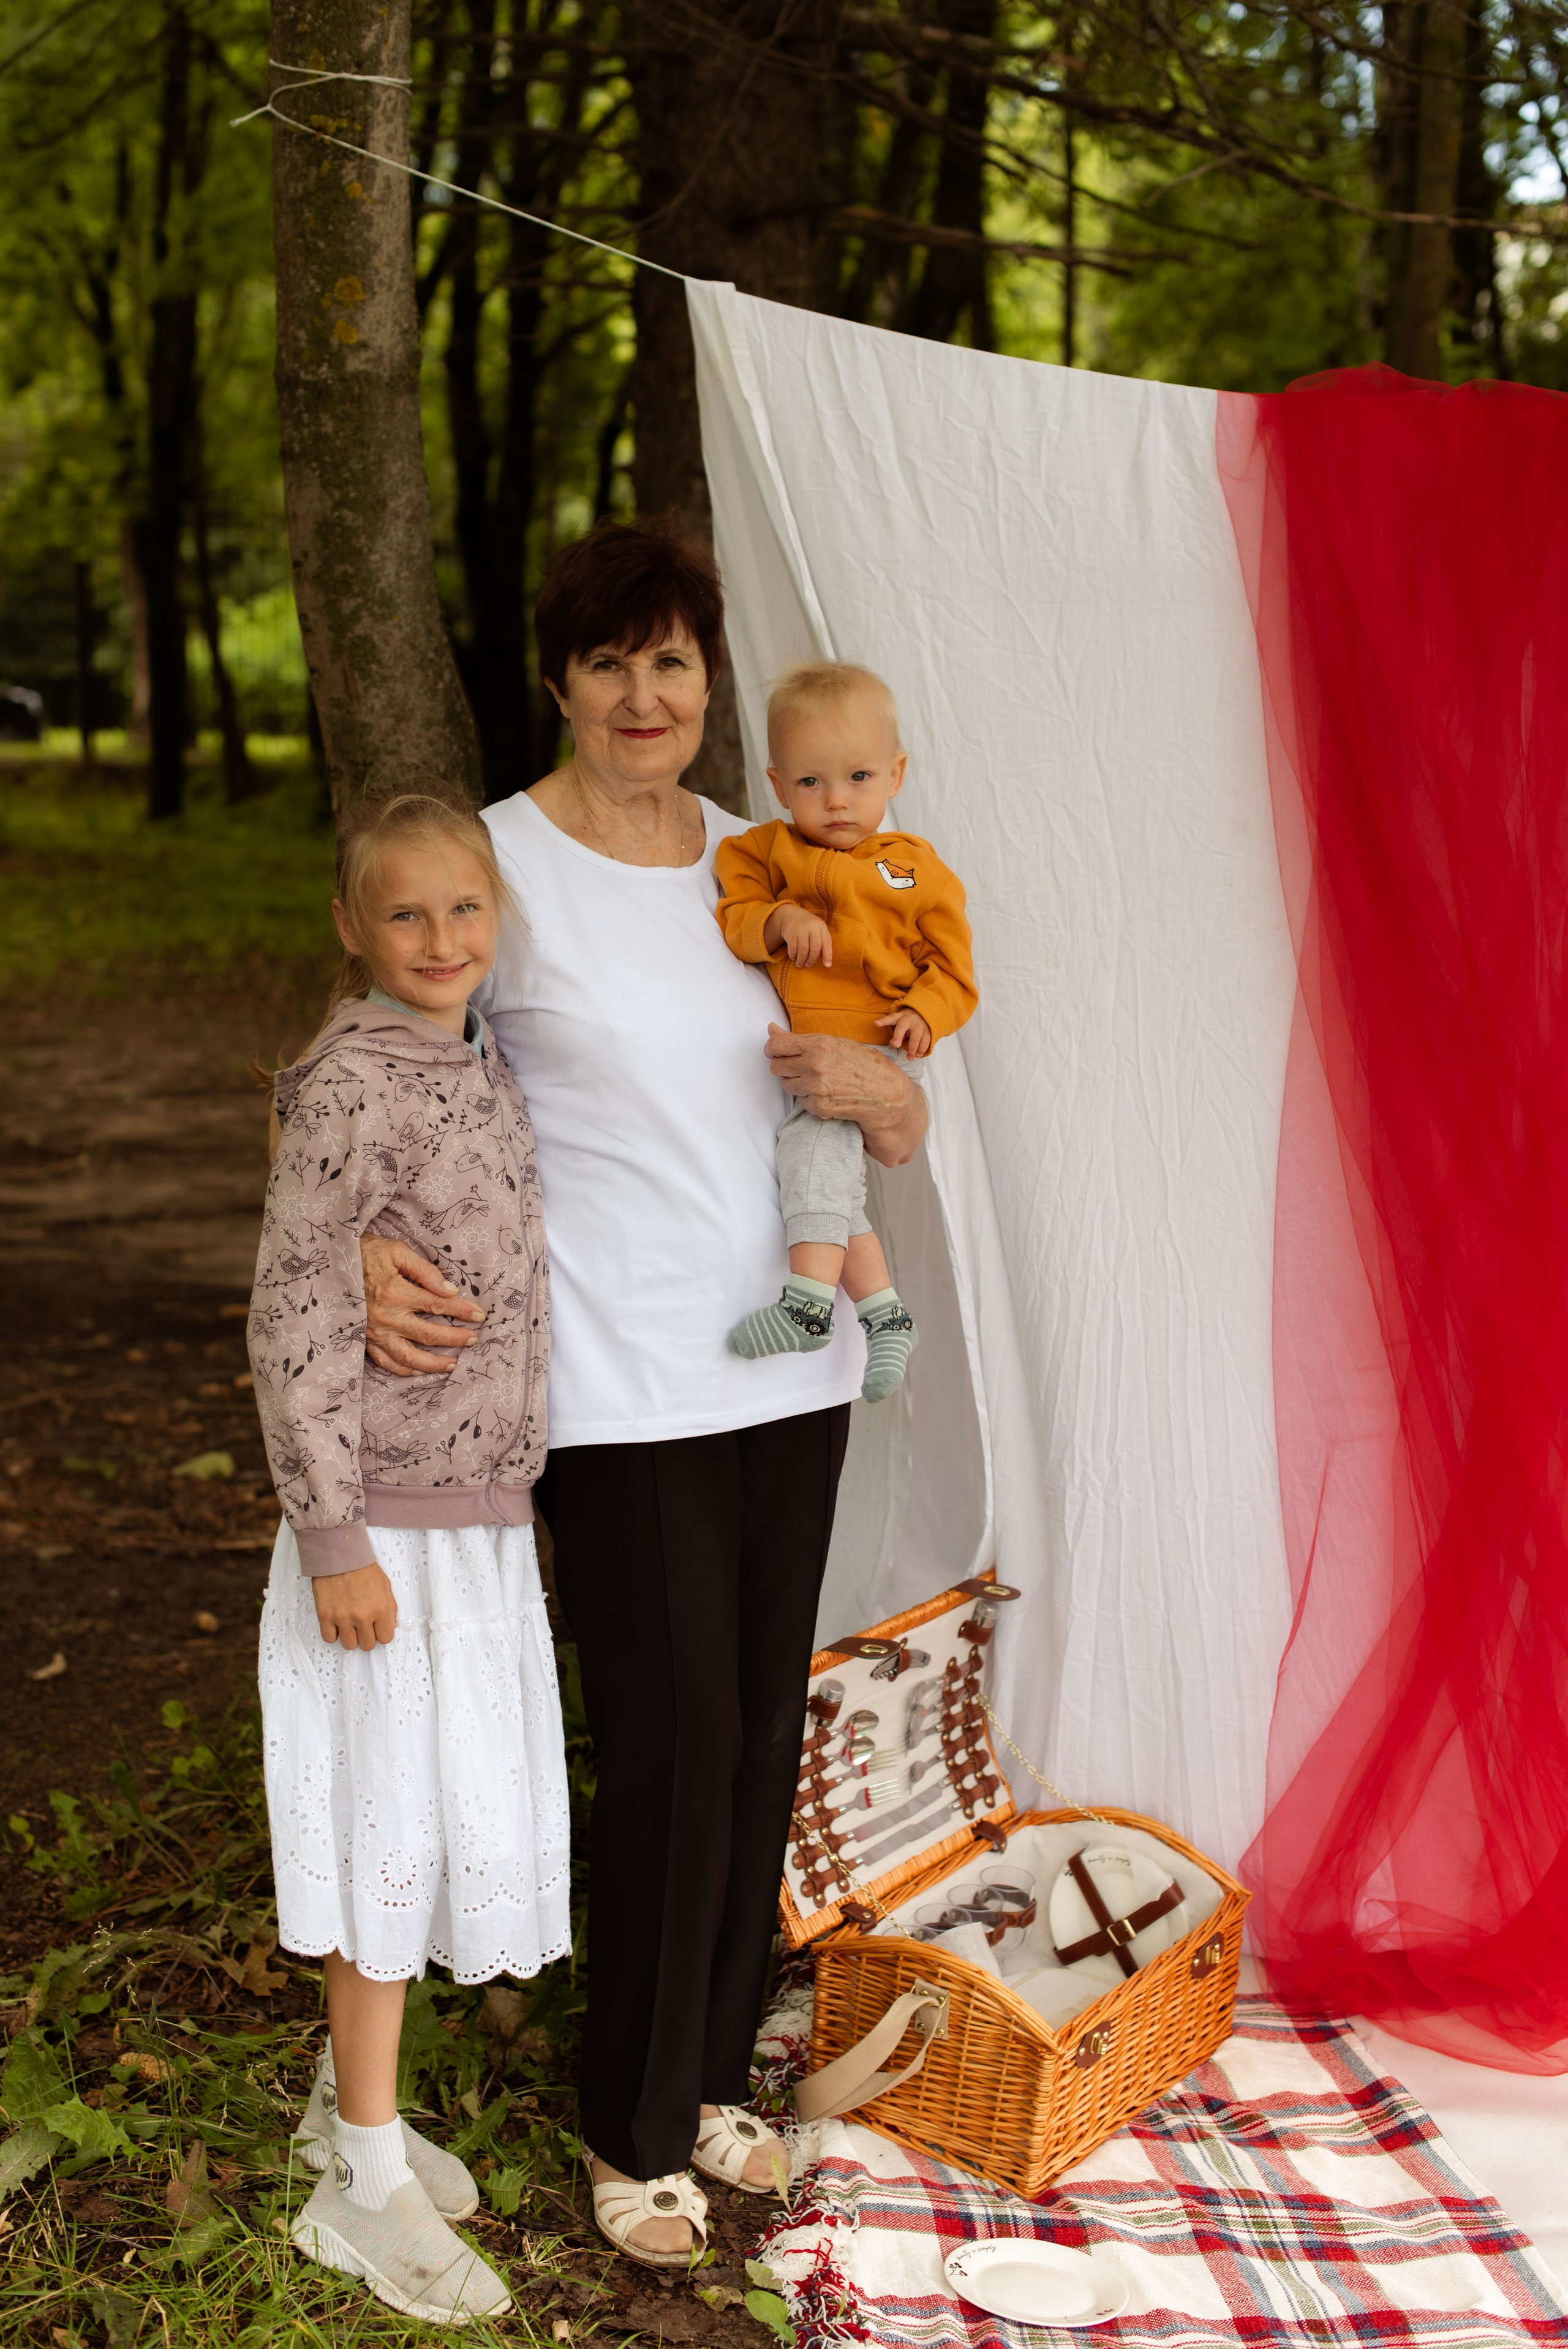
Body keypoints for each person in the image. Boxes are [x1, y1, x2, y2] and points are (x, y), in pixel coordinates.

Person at [355, 519, 928, 2270]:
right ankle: (631, 2129)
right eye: (609, 661)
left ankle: (701, 2078)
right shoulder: (502, 865)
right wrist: (373, 1239)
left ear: (709, 688)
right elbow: (398, 1060)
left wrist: (878, 1091)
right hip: (611, 1375)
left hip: (791, 1348)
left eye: (672, 661)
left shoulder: (769, 860)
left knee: (758, 1723)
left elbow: (889, 1089)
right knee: (669, 1739)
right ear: (559, 679)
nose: (641, 693)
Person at [249, 790, 567, 2324]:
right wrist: (331, 1534)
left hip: (478, 1520)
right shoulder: (348, 1085)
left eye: (465, 909)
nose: (442, 940)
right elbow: (296, 1311)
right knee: (386, 1826)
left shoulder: (477, 1053)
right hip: (380, 1529)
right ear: (351, 928)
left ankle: (343, 2104)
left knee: (436, 1812)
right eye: (406, 915)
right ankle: (360, 2184)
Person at [715, 660, 976, 1400]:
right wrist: (777, 918)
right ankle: (885, 1312)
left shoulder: (916, 872)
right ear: (776, 784)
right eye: (810, 783)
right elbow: (735, 919)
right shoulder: (762, 853)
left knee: (810, 1150)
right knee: (830, 1184)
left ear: (896, 774)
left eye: (859, 778)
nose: (836, 802)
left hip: (878, 1050)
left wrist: (925, 1012)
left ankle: (807, 1305)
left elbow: (956, 974)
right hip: (813, 1058)